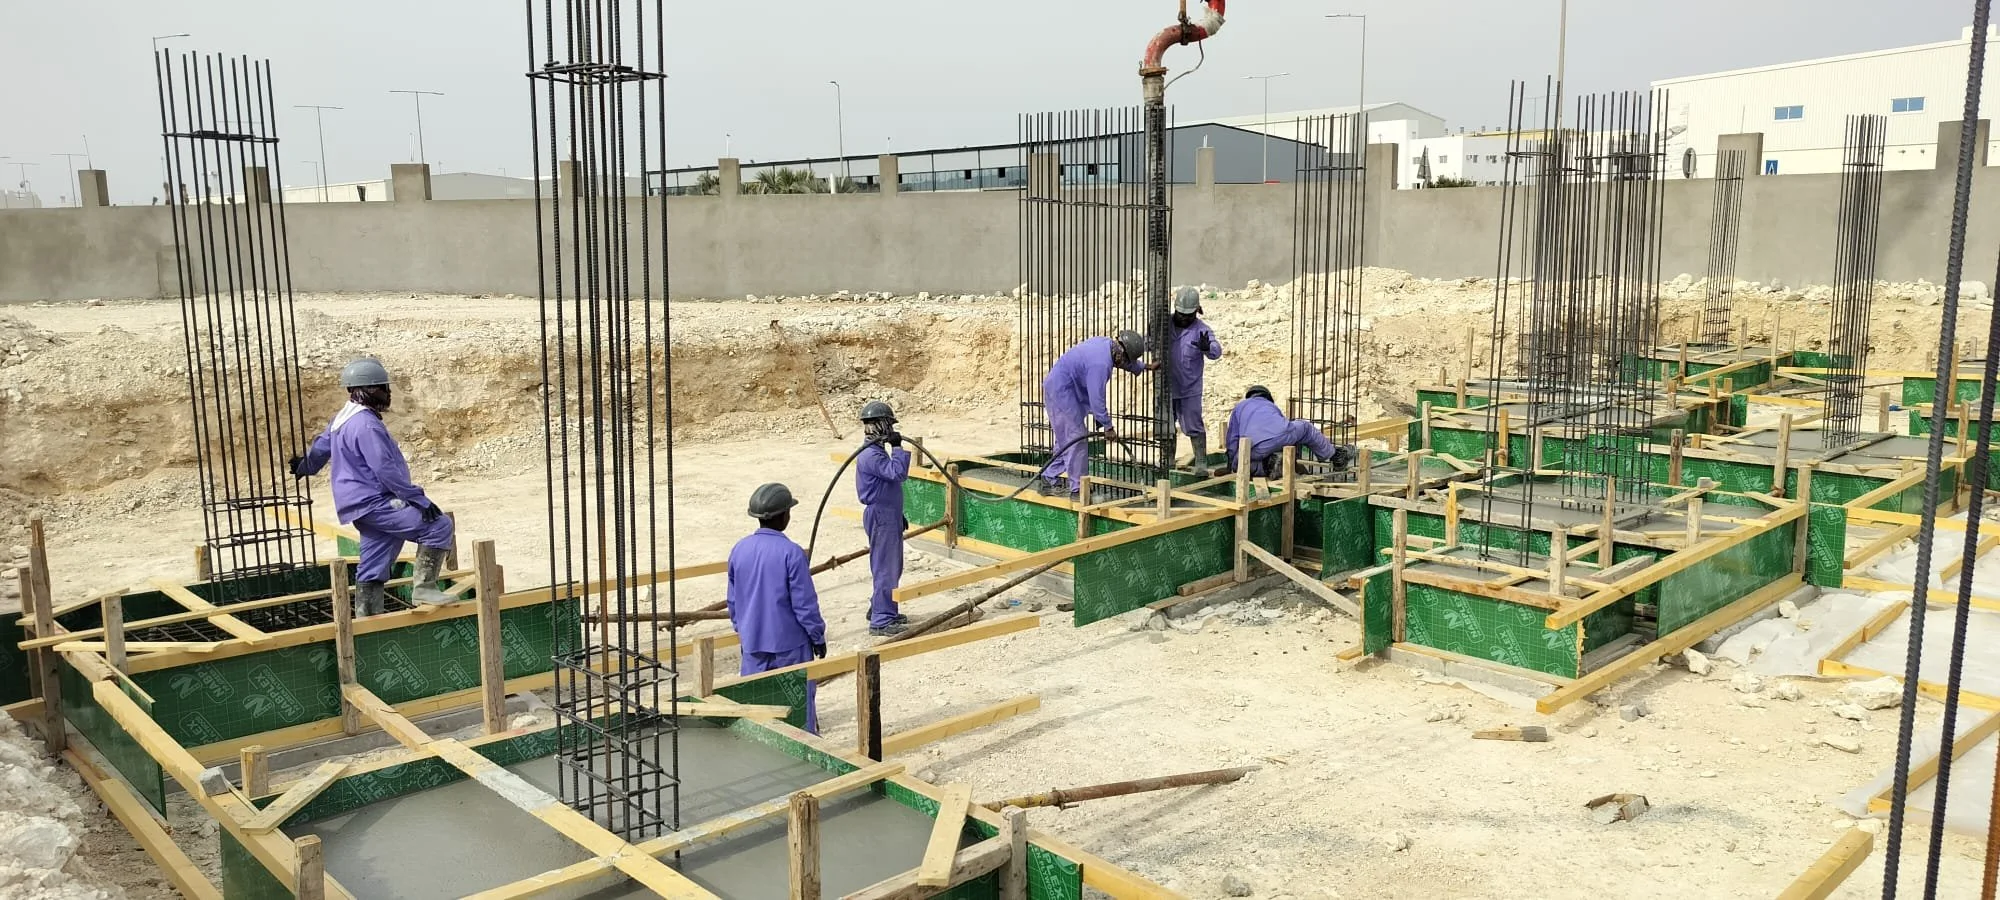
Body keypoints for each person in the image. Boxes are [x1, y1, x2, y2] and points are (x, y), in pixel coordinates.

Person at [290, 358, 455, 616]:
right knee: (438, 525)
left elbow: (322, 448)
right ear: (366, 390)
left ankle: (367, 615)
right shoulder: (365, 424)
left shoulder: (343, 418)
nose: (387, 393)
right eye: (382, 388)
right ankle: (425, 587)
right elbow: (384, 469)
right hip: (375, 501)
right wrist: (417, 499)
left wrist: (305, 466)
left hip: (358, 506)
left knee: (377, 556)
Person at [726, 483, 828, 734]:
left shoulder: (739, 550)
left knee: (755, 706)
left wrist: (744, 629)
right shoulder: (791, 553)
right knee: (797, 706)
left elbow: (733, 601)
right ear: (784, 516)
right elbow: (804, 604)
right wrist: (817, 636)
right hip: (789, 646)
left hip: (753, 645)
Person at [1038, 330, 1154, 497]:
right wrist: (1108, 426)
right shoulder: (1100, 365)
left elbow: (1122, 362)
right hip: (1061, 391)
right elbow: (1097, 398)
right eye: (1127, 360)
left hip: (1065, 388)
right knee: (1076, 437)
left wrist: (1144, 367)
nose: (1124, 363)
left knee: (1067, 438)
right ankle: (1078, 489)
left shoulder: (1107, 345)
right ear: (1121, 354)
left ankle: (1049, 478)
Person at [855, 401, 911, 637]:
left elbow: (886, 486)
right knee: (885, 567)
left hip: (887, 515)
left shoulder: (875, 452)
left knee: (891, 566)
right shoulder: (871, 455)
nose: (890, 430)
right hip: (881, 516)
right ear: (879, 425)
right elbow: (897, 473)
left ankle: (882, 607)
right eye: (888, 424)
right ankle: (881, 619)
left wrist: (898, 514)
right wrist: (898, 447)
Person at [1223, 385, 1352, 479]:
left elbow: (1232, 439)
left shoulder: (1240, 407)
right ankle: (1335, 455)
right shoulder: (1271, 406)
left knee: (1243, 465)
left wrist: (1232, 464)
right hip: (1282, 435)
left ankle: (1268, 466)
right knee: (1306, 428)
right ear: (1267, 397)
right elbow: (1283, 430)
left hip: (1254, 448)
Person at [1168, 287, 1224, 476]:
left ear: (1196, 312)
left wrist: (1208, 347)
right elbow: (1148, 343)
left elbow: (1216, 351)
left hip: (1189, 389)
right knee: (1165, 426)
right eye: (1181, 315)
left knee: (1193, 425)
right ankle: (1166, 462)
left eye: (1188, 315)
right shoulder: (1164, 324)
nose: (1184, 319)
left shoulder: (1201, 330)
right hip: (1166, 388)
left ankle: (1200, 460)